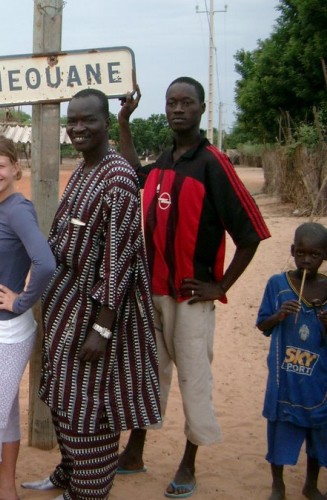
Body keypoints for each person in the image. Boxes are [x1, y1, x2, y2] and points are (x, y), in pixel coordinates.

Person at [115, 77, 271, 498]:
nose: (177, 109)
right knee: (150, 375)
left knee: (194, 380)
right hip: (154, 291)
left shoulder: (213, 164)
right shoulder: (165, 159)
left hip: (190, 297)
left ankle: (189, 463)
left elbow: (251, 234)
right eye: (171, 102)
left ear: (202, 109)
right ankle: (135, 451)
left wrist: (219, 285)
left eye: (187, 102)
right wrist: (124, 121)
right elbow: (132, 173)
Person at [23, 89, 162, 500]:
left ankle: (89, 491)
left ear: (106, 123)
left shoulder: (117, 178)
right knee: (63, 394)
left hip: (98, 311)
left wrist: (101, 328)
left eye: (89, 121)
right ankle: (69, 475)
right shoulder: (86, 168)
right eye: (74, 121)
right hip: (69, 303)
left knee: (90, 405)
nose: (79, 129)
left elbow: (119, 259)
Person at [0, 136, 55, 500]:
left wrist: (20, 302)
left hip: (5, 330)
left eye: (0, 165)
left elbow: (46, 263)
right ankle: (4, 488)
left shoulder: (17, 208)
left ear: (16, 168)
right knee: (2, 412)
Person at [255, 222, 327, 500]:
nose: (306, 260)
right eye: (300, 253)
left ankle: (311, 484)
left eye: (314, 255)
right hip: (284, 377)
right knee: (280, 429)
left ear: (324, 255)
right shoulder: (278, 285)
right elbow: (262, 325)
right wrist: (279, 315)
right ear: (292, 251)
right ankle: (278, 485)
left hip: (318, 379)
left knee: (317, 430)